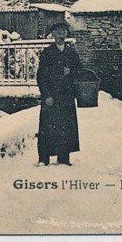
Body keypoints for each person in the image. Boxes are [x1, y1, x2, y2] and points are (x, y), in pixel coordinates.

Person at [36, 20, 84, 166]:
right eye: (57, 32)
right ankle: (44, 158)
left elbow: (80, 72)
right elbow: (41, 76)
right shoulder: (47, 53)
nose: (61, 35)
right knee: (47, 127)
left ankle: (64, 158)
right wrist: (46, 95)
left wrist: (72, 71)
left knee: (66, 127)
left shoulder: (71, 53)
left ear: (67, 34)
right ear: (53, 35)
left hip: (67, 96)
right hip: (51, 96)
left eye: (63, 32)